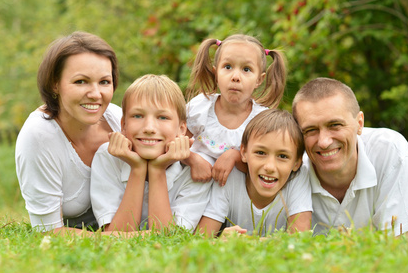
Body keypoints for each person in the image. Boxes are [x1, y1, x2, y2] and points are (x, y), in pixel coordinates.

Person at [292, 77, 408, 238]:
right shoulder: (290, 167)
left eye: (335, 125)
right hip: (388, 194)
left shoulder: (391, 150)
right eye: (310, 130)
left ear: (360, 123)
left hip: (400, 193)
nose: (323, 142)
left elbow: (400, 246)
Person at [15, 31, 122, 234]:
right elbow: (48, 232)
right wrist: (122, 239)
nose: (95, 94)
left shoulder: (119, 119)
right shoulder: (38, 136)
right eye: (81, 81)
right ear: (55, 83)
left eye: (104, 82)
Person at [90, 74, 211, 232]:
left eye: (162, 117)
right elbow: (116, 236)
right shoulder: (107, 157)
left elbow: (168, 240)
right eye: (138, 116)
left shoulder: (196, 170)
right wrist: (138, 169)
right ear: (124, 124)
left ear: (181, 129)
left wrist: (157, 169)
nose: (149, 128)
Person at [184, 34, 287, 187]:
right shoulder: (201, 107)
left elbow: (263, 166)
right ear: (216, 73)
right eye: (227, 67)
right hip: (192, 189)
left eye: (246, 69)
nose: (236, 77)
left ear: (259, 79)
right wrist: (192, 159)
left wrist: (235, 156)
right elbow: (174, 144)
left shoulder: (261, 120)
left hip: (232, 197)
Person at [196, 109, 313, 238]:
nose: (270, 167)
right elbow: (201, 239)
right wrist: (220, 240)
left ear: (297, 162)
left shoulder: (298, 178)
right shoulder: (230, 177)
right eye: (261, 153)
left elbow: (301, 239)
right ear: (244, 152)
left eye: (282, 156)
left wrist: (246, 243)